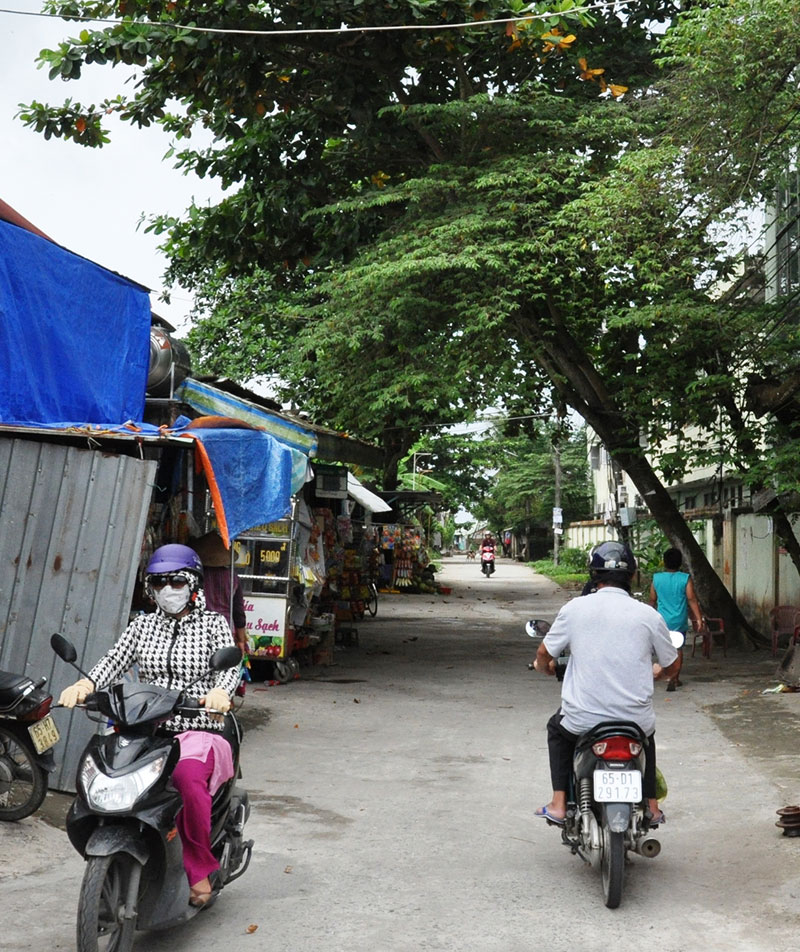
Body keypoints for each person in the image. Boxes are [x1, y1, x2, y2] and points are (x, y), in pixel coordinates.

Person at [58, 543, 240, 908]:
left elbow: (230, 666)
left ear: (192, 584)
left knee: (187, 779)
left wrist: (221, 692)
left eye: (176, 581)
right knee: (106, 769)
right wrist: (85, 684)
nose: (167, 590)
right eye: (158, 583)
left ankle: (199, 867)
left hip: (199, 727)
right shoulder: (142, 625)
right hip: (145, 728)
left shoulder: (213, 624)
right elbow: (114, 660)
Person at [532, 540, 679, 826]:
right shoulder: (649, 615)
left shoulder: (574, 609)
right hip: (635, 722)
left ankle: (559, 803)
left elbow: (543, 653)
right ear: (632, 575)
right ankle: (651, 805)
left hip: (583, 720)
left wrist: (543, 667)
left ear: (593, 575)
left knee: (556, 729)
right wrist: (659, 672)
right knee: (646, 737)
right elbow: (673, 666)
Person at [649, 547, 703, 692]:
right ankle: (675, 678)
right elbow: (691, 599)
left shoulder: (657, 578)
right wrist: (698, 619)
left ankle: (666, 673)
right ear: (680, 562)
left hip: (662, 620)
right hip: (679, 620)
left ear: (665, 562)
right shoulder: (685, 578)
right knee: (677, 648)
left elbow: (652, 599)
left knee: (664, 648)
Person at [192, 530, 249, 653]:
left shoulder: (195, 576)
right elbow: (238, 612)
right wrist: (241, 640)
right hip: (225, 630)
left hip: (198, 631)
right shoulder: (232, 577)